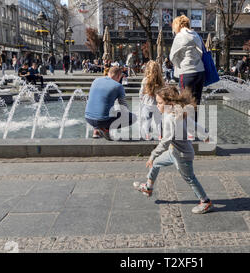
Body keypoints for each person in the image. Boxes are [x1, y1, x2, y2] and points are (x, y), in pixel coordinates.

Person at [133, 85, 213, 214]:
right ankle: (148, 187)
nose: (157, 105)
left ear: (169, 103)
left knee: (190, 179)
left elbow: (165, 141)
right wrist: (205, 135)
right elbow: (194, 125)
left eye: (159, 103)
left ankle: (205, 202)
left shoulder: (171, 117)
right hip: (173, 152)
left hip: (182, 155)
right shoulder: (178, 112)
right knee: (156, 163)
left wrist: (152, 154)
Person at [85, 66, 136, 140]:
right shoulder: (118, 86)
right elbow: (123, 106)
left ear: (108, 73)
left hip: (88, 118)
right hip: (102, 120)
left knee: (100, 108)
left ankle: (96, 130)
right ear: (119, 76)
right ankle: (105, 128)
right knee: (132, 118)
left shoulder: (96, 80)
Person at [170, 15, 205, 106]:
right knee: (196, 102)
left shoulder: (180, 36)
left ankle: (186, 120)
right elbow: (201, 53)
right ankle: (195, 120)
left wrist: (179, 65)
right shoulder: (196, 35)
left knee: (184, 102)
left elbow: (172, 56)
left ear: (178, 25)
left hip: (187, 71)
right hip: (200, 71)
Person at [140, 60, 164, 141]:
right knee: (159, 121)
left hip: (147, 103)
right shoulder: (161, 80)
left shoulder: (145, 80)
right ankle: (160, 136)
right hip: (158, 104)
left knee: (147, 120)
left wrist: (141, 99)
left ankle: (147, 135)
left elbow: (141, 92)